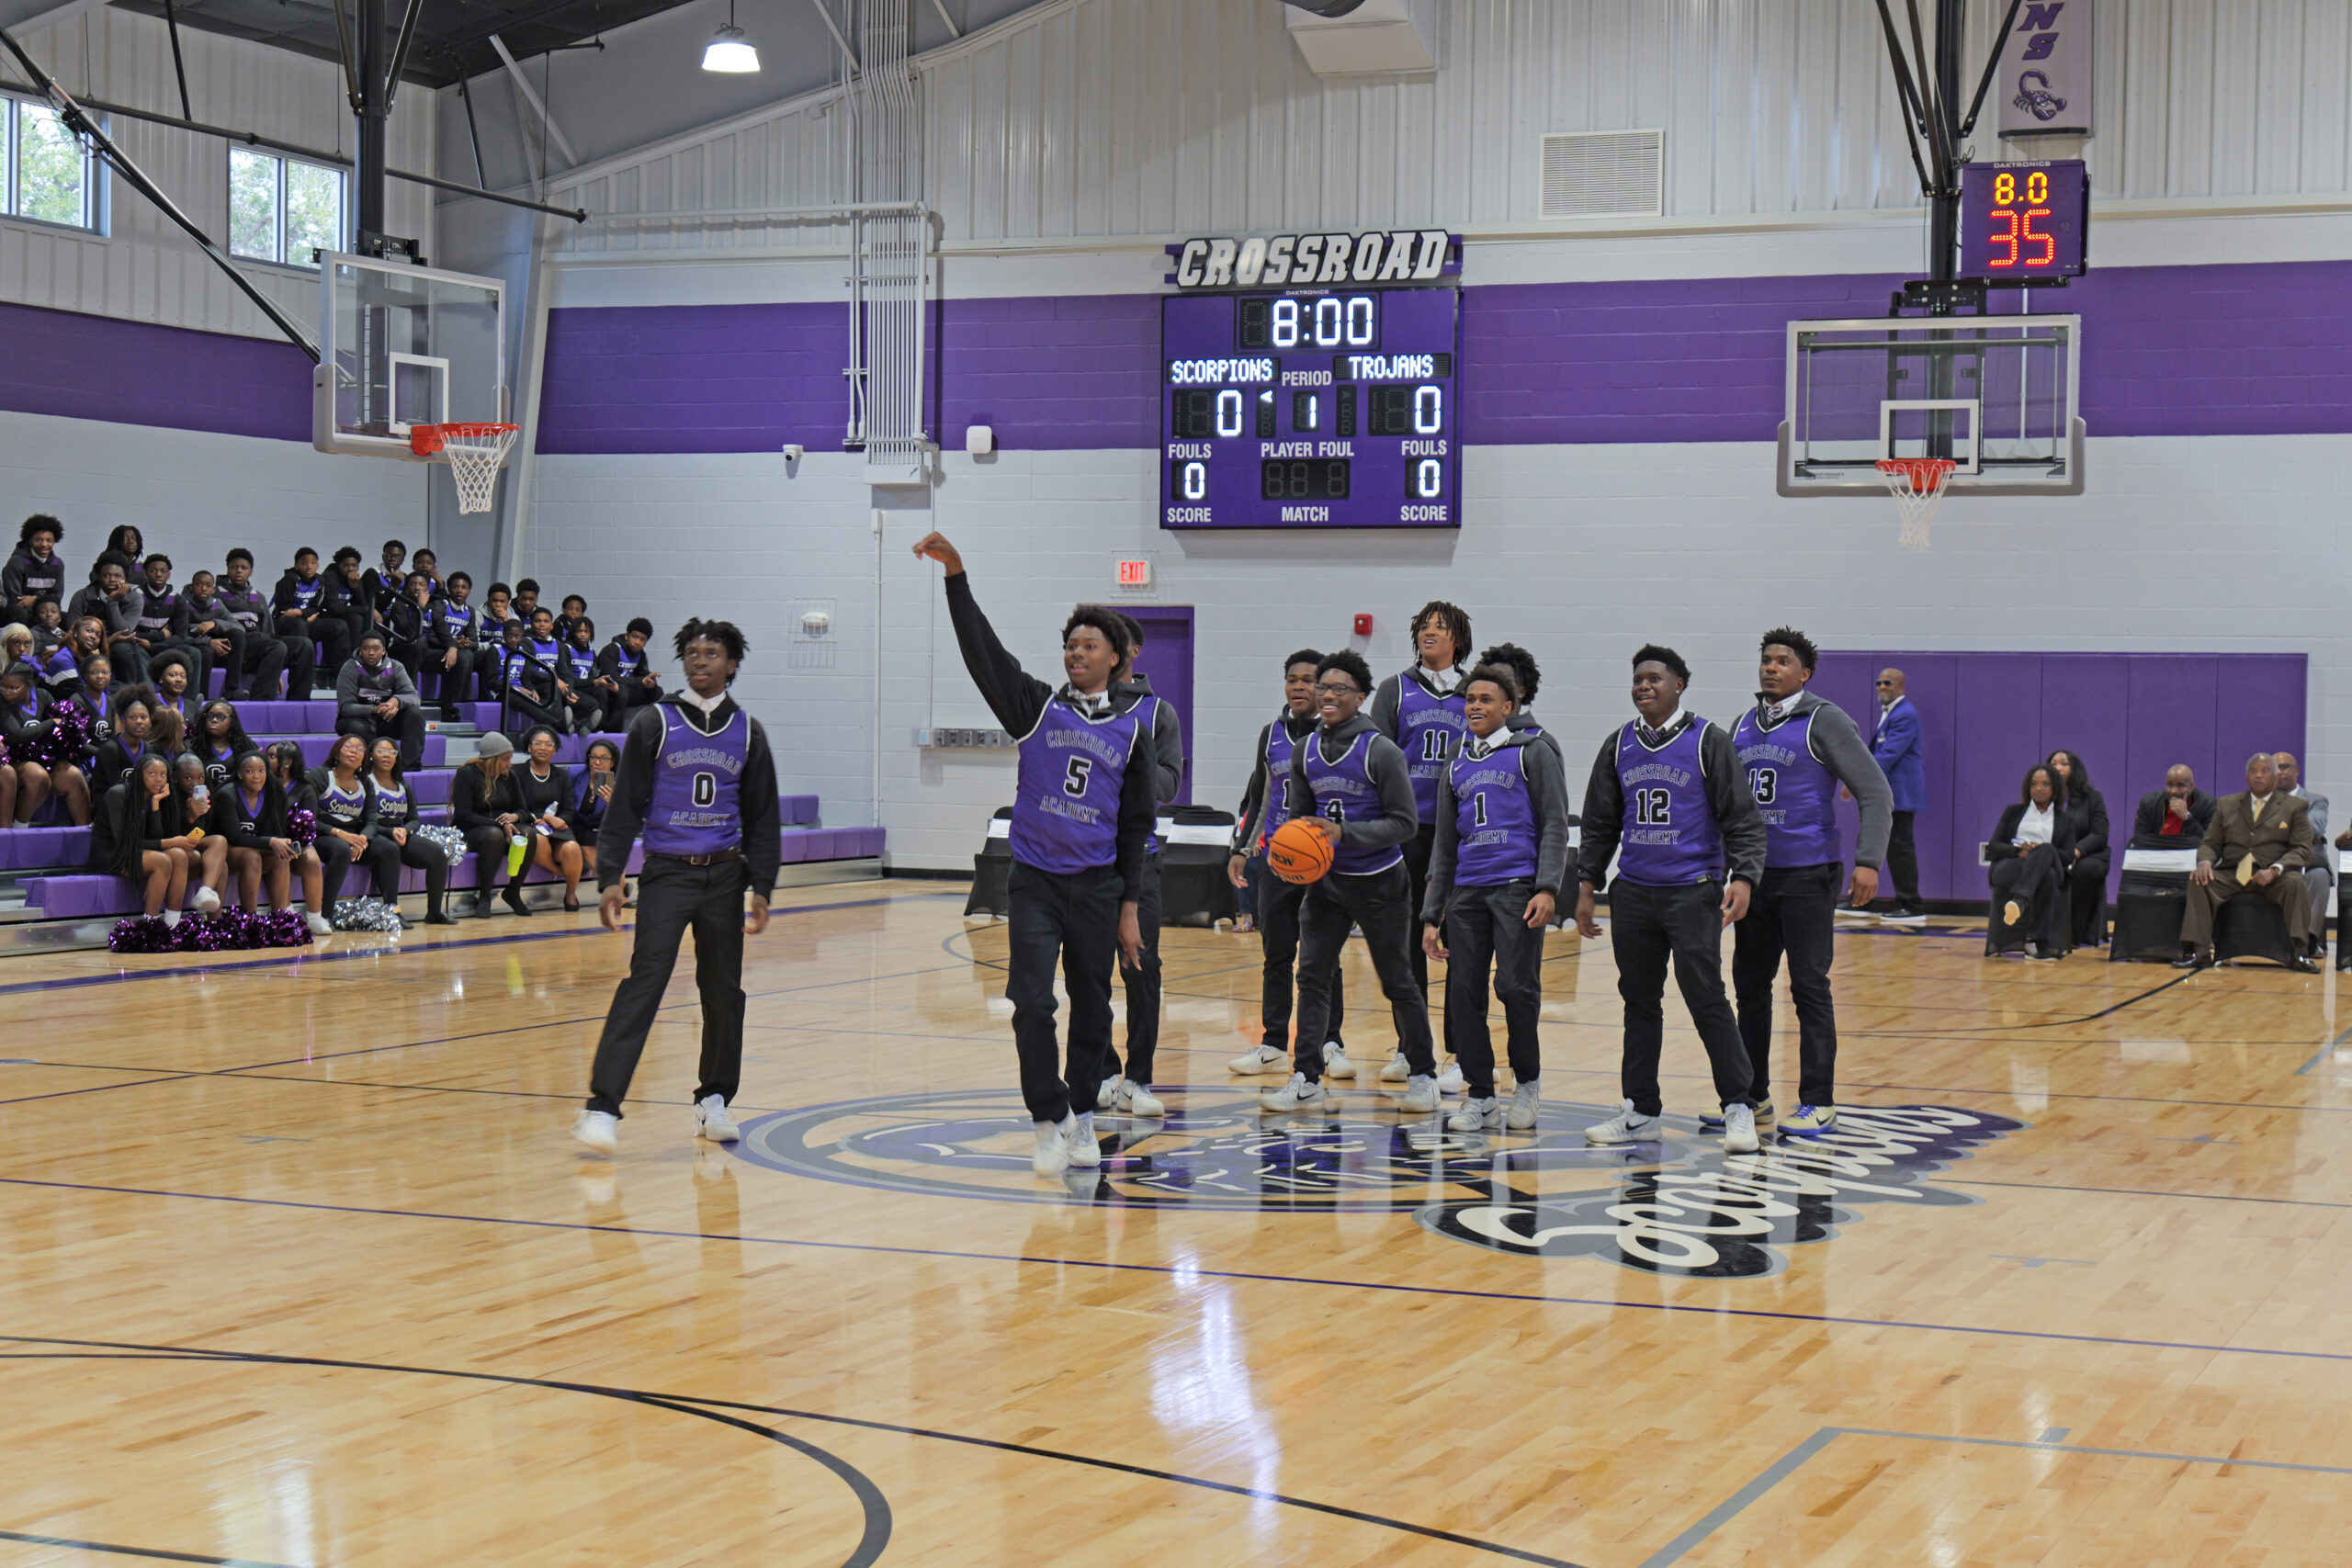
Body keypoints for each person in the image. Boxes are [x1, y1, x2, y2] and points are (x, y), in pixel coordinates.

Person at [913, 532, 1148, 1174]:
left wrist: (1130, 905)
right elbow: (983, 653)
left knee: (1094, 1006)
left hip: (1099, 886)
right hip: (1037, 881)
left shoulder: (1132, 730)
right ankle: (1049, 1117)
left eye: (1088, 645)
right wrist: (956, 576)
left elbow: (1136, 826)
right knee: (1033, 1003)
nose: (1076, 651)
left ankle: (1082, 1113)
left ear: (1115, 660)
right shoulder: (1037, 707)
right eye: (1070, 643)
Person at [574, 619, 783, 1156]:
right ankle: (601, 1107)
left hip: (725, 873)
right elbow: (625, 807)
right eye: (692, 653)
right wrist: (612, 875)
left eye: (711, 654)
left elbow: (763, 817)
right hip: (668, 871)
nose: (699, 661)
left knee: (723, 990)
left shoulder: (748, 731)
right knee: (645, 980)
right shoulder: (655, 721)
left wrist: (763, 885)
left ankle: (713, 1098)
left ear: (732, 663)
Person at [1574, 645, 1765, 1152]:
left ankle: (1739, 1107)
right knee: (1639, 1003)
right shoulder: (1618, 745)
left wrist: (1743, 877)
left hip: (1692, 890)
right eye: (1637, 678)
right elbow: (1598, 824)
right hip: (1634, 891)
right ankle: (1640, 1111)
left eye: (1655, 678)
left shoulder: (1709, 741)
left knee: (1706, 998)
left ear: (1679, 684)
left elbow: (1741, 819)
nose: (1644, 685)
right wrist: (1587, 884)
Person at [1260, 649, 1442, 1114]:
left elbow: (1404, 824)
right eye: (1323, 687)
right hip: (1327, 885)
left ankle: (1423, 1074)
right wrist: (1289, 851)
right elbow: (1300, 819)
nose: (1327, 695)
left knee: (1398, 981)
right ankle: (1306, 1077)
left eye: (1339, 689)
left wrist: (1346, 834)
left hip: (1381, 883)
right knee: (1313, 977)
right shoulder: (1306, 751)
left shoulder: (1381, 750)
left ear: (1360, 697)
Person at [1728, 627, 1892, 1139]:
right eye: (1766, 660)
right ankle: (1752, 1099)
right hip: (1755, 877)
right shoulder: (1740, 727)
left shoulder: (1825, 720)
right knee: (1750, 990)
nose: (1770, 667)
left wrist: (1869, 861)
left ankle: (1818, 1101)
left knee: (1809, 988)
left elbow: (1875, 791)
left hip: (1808, 874)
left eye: (1782, 661)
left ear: (1805, 673)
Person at [1420, 661, 1572, 1133]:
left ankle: (1527, 1083)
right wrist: (1431, 914)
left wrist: (1548, 887)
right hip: (1467, 892)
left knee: (1514, 988)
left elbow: (1555, 824)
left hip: (1515, 890)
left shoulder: (1532, 752)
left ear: (1509, 707)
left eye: (1486, 700)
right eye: (1470, 700)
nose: (1475, 707)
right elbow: (1444, 844)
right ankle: (1481, 1095)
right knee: (1464, 995)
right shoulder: (1457, 761)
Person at [1226, 649, 1349, 1080]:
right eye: (1291, 679)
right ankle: (1274, 1042)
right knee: (1276, 956)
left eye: (1307, 680)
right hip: (1277, 860)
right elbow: (1260, 796)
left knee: (1323, 957)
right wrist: (1242, 848)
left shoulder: (1338, 735)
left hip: (1322, 863)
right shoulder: (1271, 733)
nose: (1298, 686)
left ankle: (1330, 1043)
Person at [1368, 599, 1472, 1043]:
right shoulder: (1395, 689)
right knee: (1406, 938)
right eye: (1424, 626)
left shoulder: (1475, 690)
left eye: (1440, 626)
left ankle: (1459, 1046)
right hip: (1407, 831)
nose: (1430, 631)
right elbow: (1374, 756)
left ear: (1458, 639)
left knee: (1460, 939)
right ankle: (1411, 1045)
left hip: (1460, 834)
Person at [1099, 612, 1181, 1118]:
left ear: (1129, 652)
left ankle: (1139, 1078)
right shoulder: (1072, 706)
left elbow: (1170, 783)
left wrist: (1123, 779)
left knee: (1141, 967)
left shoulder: (1157, 713)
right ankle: (1103, 1070)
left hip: (1139, 860)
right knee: (1087, 975)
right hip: (1082, 861)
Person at [2177, 752, 2319, 971]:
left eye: (2265, 771)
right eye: (2254, 771)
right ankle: (2200, 952)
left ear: (2274, 776)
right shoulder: (2227, 804)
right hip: (2234, 873)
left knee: (2296, 883)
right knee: (2200, 880)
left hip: (2274, 876)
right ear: (2246, 777)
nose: (2259, 776)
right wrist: (2205, 862)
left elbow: (2302, 849)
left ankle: (2300, 953)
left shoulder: (2294, 807)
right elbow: (2210, 843)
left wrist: (2275, 869)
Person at [217, 749, 328, 929]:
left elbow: (273, 831)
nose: (256, 776)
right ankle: (250, 921)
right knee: (251, 856)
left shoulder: (273, 793)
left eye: (261, 770)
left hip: (256, 847)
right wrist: (270, 842)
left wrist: (282, 845)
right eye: (249, 771)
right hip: (228, 849)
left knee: (280, 856)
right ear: (239, 773)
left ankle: (281, 919)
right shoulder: (227, 794)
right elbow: (234, 836)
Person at [1988, 763, 2076, 960]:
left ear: (2055, 789)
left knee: (2045, 852)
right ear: (2028, 788)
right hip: (2012, 866)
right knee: (2047, 876)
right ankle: (2037, 943)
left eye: (2045, 784)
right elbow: (1994, 846)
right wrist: (2019, 851)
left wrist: (2042, 851)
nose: (2039, 788)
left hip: (2051, 864)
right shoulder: (2013, 812)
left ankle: (2019, 901)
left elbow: (2068, 856)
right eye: (2034, 784)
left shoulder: (2065, 820)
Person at [88, 755, 193, 921]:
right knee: (162, 861)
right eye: (152, 774)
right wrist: (170, 842)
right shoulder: (118, 794)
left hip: (139, 850)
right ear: (139, 774)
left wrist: (156, 804)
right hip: (111, 853)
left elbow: (155, 837)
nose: (158, 779)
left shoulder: (156, 796)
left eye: (163, 775)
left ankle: (172, 925)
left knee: (179, 855)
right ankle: (149, 927)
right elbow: (124, 842)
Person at [363, 736, 455, 925]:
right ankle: (392, 910)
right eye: (381, 751)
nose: (387, 756)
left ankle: (434, 912)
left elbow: (414, 819)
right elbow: (363, 821)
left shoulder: (402, 784)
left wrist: (406, 831)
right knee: (390, 849)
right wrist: (390, 832)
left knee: (437, 853)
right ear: (371, 756)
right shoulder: (365, 782)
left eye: (392, 752)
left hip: (399, 835)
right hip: (374, 835)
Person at [1867, 667, 1926, 922]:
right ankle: (1863, 897)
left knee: (1900, 846)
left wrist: (1859, 776)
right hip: (1890, 793)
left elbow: (1889, 754)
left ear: (1901, 687)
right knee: (1880, 844)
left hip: (1899, 793)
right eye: (1878, 683)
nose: (1881, 687)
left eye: (1887, 683)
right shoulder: (1892, 713)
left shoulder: (1904, 714)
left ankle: (1911, 903)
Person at [451, 733, 531, 917]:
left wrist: (514, 817)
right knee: (493, 835)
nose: (509, 764)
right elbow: (464, 815)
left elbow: (524, 810)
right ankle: (485, 896)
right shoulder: (467, 774)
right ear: (491, 759)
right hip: (472, 830)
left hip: (504, 828)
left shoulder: (510, 777)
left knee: (529, 834)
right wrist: (499, 824)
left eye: (510, 759)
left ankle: (513, 891)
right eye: (505, 759)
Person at [0, 662, 90, 825]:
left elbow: (63, 727)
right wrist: (49, 724)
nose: (6, 692)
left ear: (29, 685)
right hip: (14, 762)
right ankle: (20, 828)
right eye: (3, 686)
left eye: (13, 688)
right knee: (37, 775)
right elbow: (16, 735)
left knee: (74, 776)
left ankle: (85, 837)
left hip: (44, 759)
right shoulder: (2, 703)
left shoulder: (43, 696)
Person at [513, 723, 587, 911]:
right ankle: (562, 872)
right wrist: (538, 818)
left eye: (548, 744)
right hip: (528, 824)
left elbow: (569, 811)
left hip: (556, 826)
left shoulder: (561, 775)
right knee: (539, 840)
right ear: (529, 747)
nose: (543, 748)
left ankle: (570, 893)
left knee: (572, 849)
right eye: (538, 743)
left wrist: (558, 820)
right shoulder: (516, 773)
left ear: (555, 750)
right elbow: (515, 806)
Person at [218, 549, 307, 700]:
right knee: (277, 646)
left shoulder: (258, 596)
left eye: (244, 568)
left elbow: (268, 631)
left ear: (251, 572)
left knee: (304, 645)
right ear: (227, 569)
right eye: (234, 567)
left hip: (259, 642)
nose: (239, 571)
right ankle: (260, 701)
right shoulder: (215, 593)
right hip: (234, 645)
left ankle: (299, 700)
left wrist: (276, 669)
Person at [2045, 749, 2111, 947]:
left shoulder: (2092, 797)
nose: (2058, 767)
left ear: (2075, 769)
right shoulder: (2042, 798)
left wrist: (2075, 852)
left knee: (2084, 871)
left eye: (2064, 763)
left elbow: (2099, 834)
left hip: (2088, 855)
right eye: (2053, 763)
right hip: (2053, 853)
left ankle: (2073, 934)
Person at [308, 733, 378, 916]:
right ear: (336, 753)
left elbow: (371, 820)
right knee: (341, 849)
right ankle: (325, 913)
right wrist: (339, 833)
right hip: (321, 835)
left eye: (360, 749)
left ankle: (391, 908)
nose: (354, 751)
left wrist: (362, 838)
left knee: (388, 849)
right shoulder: (319, 776)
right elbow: (308, 819)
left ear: (364, 758)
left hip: (353, 838)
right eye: (349, 747)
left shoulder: (365, 782)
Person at [335, 632, 425, 772]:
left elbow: (414, 697)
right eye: (366, 648)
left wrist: (395, 701)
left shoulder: (396, 667)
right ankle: (369, 770)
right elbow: (346, 707)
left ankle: (410, 769)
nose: (371, 652)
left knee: (415, 714)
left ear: (384, 650)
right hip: (358, 719)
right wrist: (374, 709)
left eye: (376, 648)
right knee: (358, 727)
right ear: (360, 650)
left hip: (385, 720)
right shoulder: (350, 667)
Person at [2275, 752, 2332, 958]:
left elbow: (2314, 830)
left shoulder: (2316, 801)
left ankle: (2309, 941)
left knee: (2320, 876)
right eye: (2275, 768)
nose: (2279, 772)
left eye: (2284, 767)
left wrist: (2278, 823)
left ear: (2296, 771)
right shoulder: (2262, 800)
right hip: (2269, 860)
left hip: (2306, 860)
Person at [130, 554, 211, 698]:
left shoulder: (178, 599)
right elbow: (130, 631)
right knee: (136, 650)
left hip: (165, 647)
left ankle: (190, 702)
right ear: (145, 573)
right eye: (154, 570)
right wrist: (158, 636)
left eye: (163, 571)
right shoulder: (135, 595)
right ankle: (149, 698)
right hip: (141, 646)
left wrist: (153, 645)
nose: (159, 574)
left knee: (194, 653)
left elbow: (181, 636)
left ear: (169, 575)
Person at [428, 570, 498, 720]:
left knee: (490, 653)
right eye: (455, 587)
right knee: (465, 657)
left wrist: (467, 643)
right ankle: (451, 706)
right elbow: (432, 636)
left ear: (469, 591)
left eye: (463, 587)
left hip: (458, 651)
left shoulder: (470, 611)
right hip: (437, 651)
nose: (459, 590)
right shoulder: (440, 605)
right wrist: (455, 644)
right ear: (449, 589)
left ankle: (487, 698)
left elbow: (474, 640)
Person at [66, 553, 144, 685]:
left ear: (125, 578)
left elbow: (124, 631)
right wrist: (108, 641)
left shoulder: (135, 598)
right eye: (106, 575)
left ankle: (129, 691)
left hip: (119, 644)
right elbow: (72, 631)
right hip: (85, 643)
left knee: (123, 649)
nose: (112, 579)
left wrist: (113, 602)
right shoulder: (81, 596)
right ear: (99, 576)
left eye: (118, 576)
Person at [274, 548, 347, 688]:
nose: (309, 567)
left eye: (313, 563)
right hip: (283, 623)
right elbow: (284, 609)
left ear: (317, 565)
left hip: (306, 620)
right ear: (296, 565)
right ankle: (307, 677)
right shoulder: (290, 579)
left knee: (340, 626)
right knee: (299, 624)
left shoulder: (320, 580)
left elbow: (316, 607)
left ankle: (339, 677)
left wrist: (300, 613)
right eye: (304, 563)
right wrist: (302, 614)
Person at [167, 752, 230, 908]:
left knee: (219, 840)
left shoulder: (205, 793)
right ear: (175, 777)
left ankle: (204, 892)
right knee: (220, 867)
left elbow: (204, 829)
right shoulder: (168, 795)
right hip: (172, 844)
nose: (195, 783)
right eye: (188, 778)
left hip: (193, 841)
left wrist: (199, 814)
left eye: (200, 777)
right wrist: (190, 815)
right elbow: (169, 831)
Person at [178, 570, 251, 701]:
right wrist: (209, 641)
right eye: (199, 584)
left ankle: (231, 690)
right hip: (194, 647)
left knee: (237, 635)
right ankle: (202, 697)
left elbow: (239, 627)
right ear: (191, 587)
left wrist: (215, 623)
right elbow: (180, 635)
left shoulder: (217, 604)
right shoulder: (182, 604)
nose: (204, 588)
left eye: (208, 585)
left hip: (216, 648)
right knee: (205, 652)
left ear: (213, 589)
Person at [499, 616, 562, 736]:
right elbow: (491, 681)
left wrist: (531, 689)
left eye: (517, 636)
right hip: (501, 691)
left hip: (519, 690)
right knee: (526, 702)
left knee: (538, 699)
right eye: (509, 635)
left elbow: (525, 677)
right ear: (503, 635)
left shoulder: (522, 652)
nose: (513, 639)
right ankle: (558, 725)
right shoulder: (495, 650)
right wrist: (515, 688)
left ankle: (573, 723)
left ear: (522, 637)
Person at [89, 688, 160, 794]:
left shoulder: (148, 749)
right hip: (110, 805)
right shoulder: (110, 750)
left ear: (150, 722)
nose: (139, 722)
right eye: (133, 717)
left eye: (143, 717)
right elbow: (114, 791)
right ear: (123, 720)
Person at [2132, 765, 2219, 844]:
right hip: (2156, 854)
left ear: (2191, 786)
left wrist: (2187, 818)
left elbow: (2208, 844)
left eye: (2180, 785)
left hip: (2190, 856)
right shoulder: (2149, 803)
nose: (2173, 791)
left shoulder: (2208, 805)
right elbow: (2140, 840)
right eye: (2170, 785)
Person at [596, 617, 664, 715]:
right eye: (634, 637)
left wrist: (650, 683)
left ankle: (650, 724)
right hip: (609, 690)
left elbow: (643, 675)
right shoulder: (611, 650)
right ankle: (612, 728)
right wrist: (641, 681)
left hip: (628, 688)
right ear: (627, 636)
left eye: (642, 639)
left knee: (657, 692)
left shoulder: (641, 654)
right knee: (622, 691)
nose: (637, 642)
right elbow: (611, 677)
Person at [4, 515, 66, 618]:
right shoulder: (17, 561)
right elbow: (15, 599)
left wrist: (36, 600)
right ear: (30, 541)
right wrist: (42, 601)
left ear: (55, 541)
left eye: (49, 540)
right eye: (39, 540)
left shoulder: (58, 564)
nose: (44, 544)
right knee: (21, 614)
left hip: (44, 611)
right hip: (17, 612)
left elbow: (57, 598)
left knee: (65, 618)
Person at [574, 739, 620, 876]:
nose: (597, 762)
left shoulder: (621, 785)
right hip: (577, 828)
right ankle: (619, 889)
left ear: (613, 762)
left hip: (604, 831)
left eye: (604, 758)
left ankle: (616, 887)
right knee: (586, 842)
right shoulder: (576, 776)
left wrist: (613, 804)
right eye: (593, 757)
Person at [191, 700, 255, 793]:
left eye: (221, 717)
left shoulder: (246, 747)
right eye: (210, 716)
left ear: (232, 721)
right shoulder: (192, 747)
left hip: (235, 801)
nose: (214, 720)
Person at [562, 616, 613, 735]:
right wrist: (593, 682)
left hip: (584, 686)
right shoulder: (566, 648)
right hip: (570, 687)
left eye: (586, 632)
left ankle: (596, 728)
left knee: (602, 692)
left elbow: (592, 677)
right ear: (574, 632)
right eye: (580, 631)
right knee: (592, 703)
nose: (583, 635)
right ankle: (575, 724)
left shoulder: (591, 652)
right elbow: (566, 677)